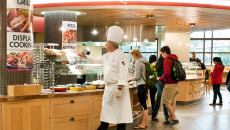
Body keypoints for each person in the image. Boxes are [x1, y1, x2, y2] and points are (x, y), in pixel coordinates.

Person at [76, 26, 133, 130]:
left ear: (111, 43)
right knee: (106, 115)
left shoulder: (122, 56)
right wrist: (83, 55)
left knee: (120, 118)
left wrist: (120, 88)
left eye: (107, 42)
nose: (105, 44)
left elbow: (123, 72)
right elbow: (96, 59)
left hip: (117, 89)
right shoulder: (107, 56)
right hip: (108, 90)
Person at [159, 46, 179, 126]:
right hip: (176, 84)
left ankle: (174, 118)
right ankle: (169, 119)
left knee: (165, 102)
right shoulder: (175, 59)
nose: (161, 55)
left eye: (161, 53)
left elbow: (166, 73)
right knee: (172, 102)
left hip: (169, 84)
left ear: (164, 52)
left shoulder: (167, 60)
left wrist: (160, 78)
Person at [129, 49, 148, 129]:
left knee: (143, 105)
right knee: (144, 104)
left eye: (131, 56)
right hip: (145, 84)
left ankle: (143, 124)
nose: (131, 57)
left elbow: (137, 76)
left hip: (141, 84)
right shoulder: (144, 60)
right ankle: (145, 123)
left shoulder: (138, 62)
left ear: (134, 55)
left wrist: (129, 79)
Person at [151, 54, 169, 123]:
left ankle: (154, 115)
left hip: (157, 82)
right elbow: (165, 74)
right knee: (164, 99)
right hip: (161, 82)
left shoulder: (158, 63)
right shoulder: (165, 63)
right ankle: (167, 117)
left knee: (159, 99)